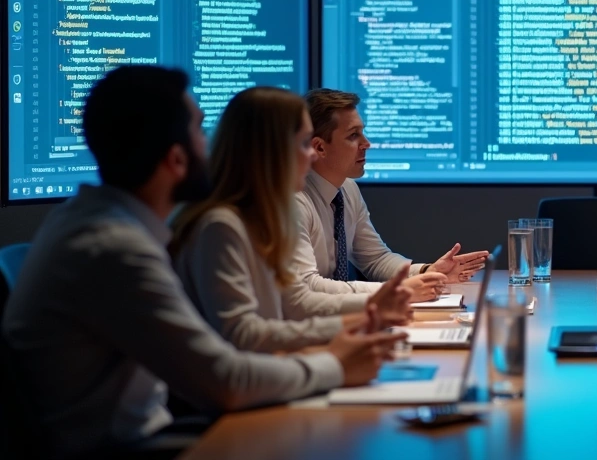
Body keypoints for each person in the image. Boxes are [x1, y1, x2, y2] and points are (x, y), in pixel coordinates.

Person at [1, 67, 405, 459]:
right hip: (130, 448)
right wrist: (336, 363)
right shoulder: (114, 249)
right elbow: (225, 379)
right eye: (199, 131)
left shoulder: (99, 226)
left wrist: (346, 336)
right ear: (176, 159)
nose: (210, 146)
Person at [172, 87, 417, 354]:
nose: (312, 154)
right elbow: (247, 340)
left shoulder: (263, 216)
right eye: (303, 143)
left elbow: (295, 302)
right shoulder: (222, 226)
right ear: (270, 152)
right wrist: (342, 353)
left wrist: (368, 317)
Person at [294, 88, 487, 297]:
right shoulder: (294, 201)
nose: (366, 144)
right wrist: (397, 290)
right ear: (320, 148)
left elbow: (375, 259)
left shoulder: (347, 189)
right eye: (353, 135)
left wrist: (426, 272)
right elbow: (307, 286)